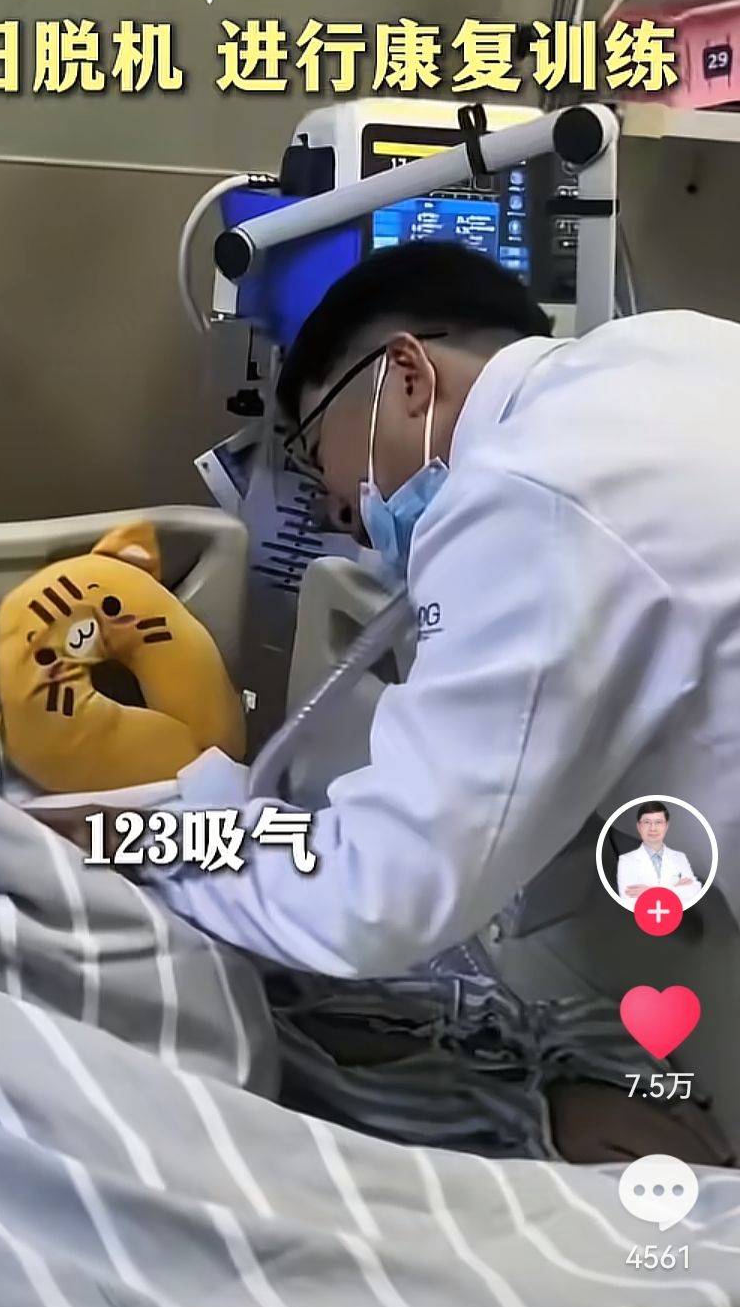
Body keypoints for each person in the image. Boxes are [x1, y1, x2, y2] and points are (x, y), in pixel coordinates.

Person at [127, 242, 740, 1158]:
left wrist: (154, 839)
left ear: (405, 376)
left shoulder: (525, 492)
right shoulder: (673, 351)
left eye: (315, 451)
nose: (339, 507)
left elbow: (378, 896)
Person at [617, 803, 702, 909]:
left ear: (666, 826)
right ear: (639, 827)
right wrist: (675, 889)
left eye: (658, 822)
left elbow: (694, 891)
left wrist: (650, 891)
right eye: (647, 822)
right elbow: (629, 901)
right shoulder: (626, 860)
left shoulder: (680, 857)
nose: (653, 828)